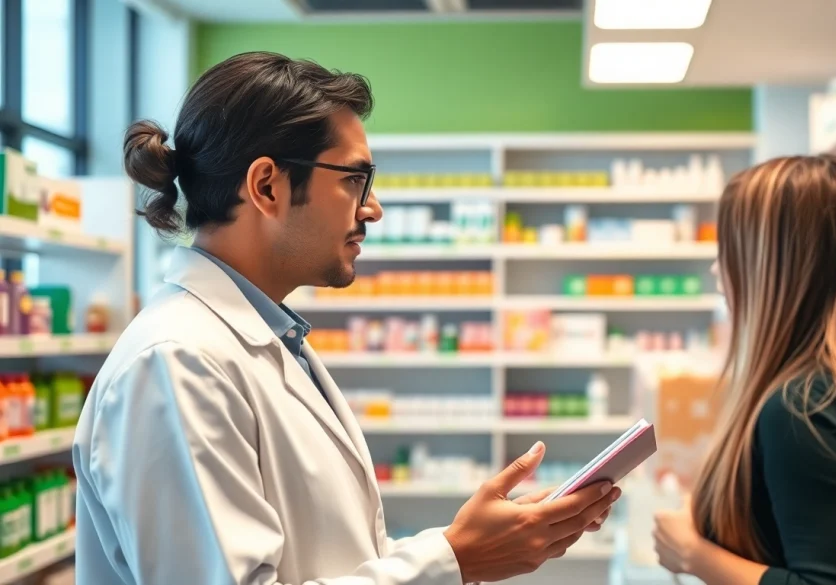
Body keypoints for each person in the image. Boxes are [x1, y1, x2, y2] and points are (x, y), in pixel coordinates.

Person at [72, 51, 619, 585]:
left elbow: (338, 559)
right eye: (355, 179)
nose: (373, 208)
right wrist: (453, 560)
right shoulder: (175, 363)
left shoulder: (272, 339)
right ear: (267, 186)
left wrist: (468, 545)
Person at [652, 155, 836, 585]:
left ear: (774, 266)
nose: (718, 269)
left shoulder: (801, 407)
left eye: (730, 250)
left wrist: (694, 555)